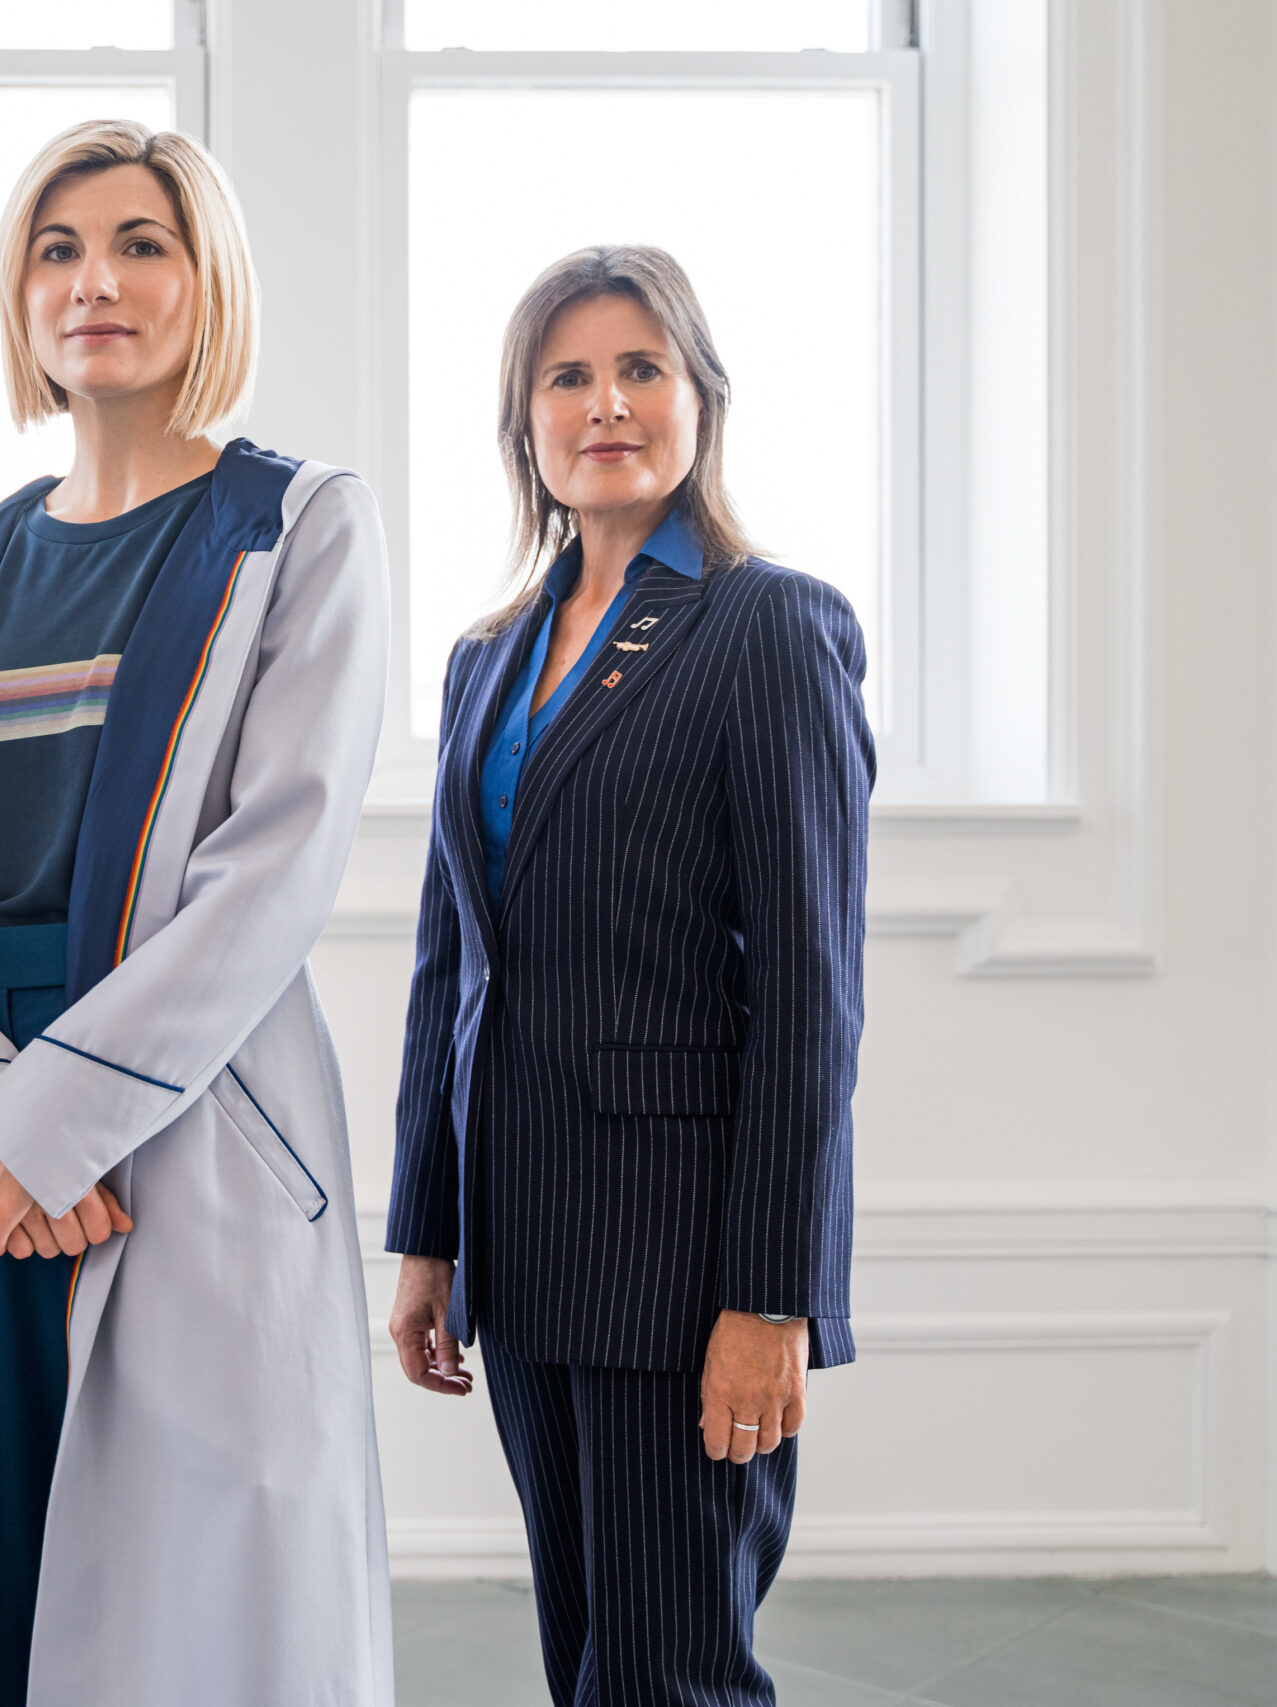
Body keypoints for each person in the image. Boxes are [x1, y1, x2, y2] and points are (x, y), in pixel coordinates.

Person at [0, 120, 394, 1707]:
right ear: (19, 295)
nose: (96, 280)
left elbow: (276, 861)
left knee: (197, 1607)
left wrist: (50, 1128)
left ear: (204, 278)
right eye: (59, 249)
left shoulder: (295, 525)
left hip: (191, 1111)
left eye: (141, 243)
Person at [385, 245, 872, 1706]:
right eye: (570, 377)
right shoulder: (486, 658)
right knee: (585, 1659)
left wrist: (774, 1296)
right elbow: (451, 965)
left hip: (683, 1260)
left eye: (640, 369)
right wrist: (429, 1233)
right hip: (524, 1245)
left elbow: (810, 998)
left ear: (701, 399)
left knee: (671, 1676)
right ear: (525, 422)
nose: (606, 404)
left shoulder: (768, 625)